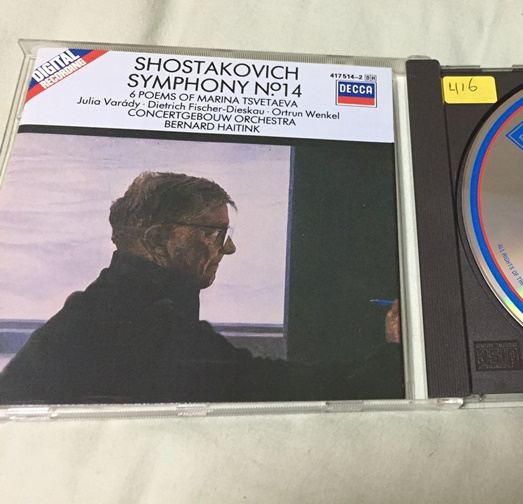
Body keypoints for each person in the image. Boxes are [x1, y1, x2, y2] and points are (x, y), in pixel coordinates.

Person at [0, 172, 401, 404]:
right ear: (159, 240)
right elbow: (266, 384)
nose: (228, 248)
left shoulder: (101, 307)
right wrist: (392, 353)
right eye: (215, 233)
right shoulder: (148, 323)